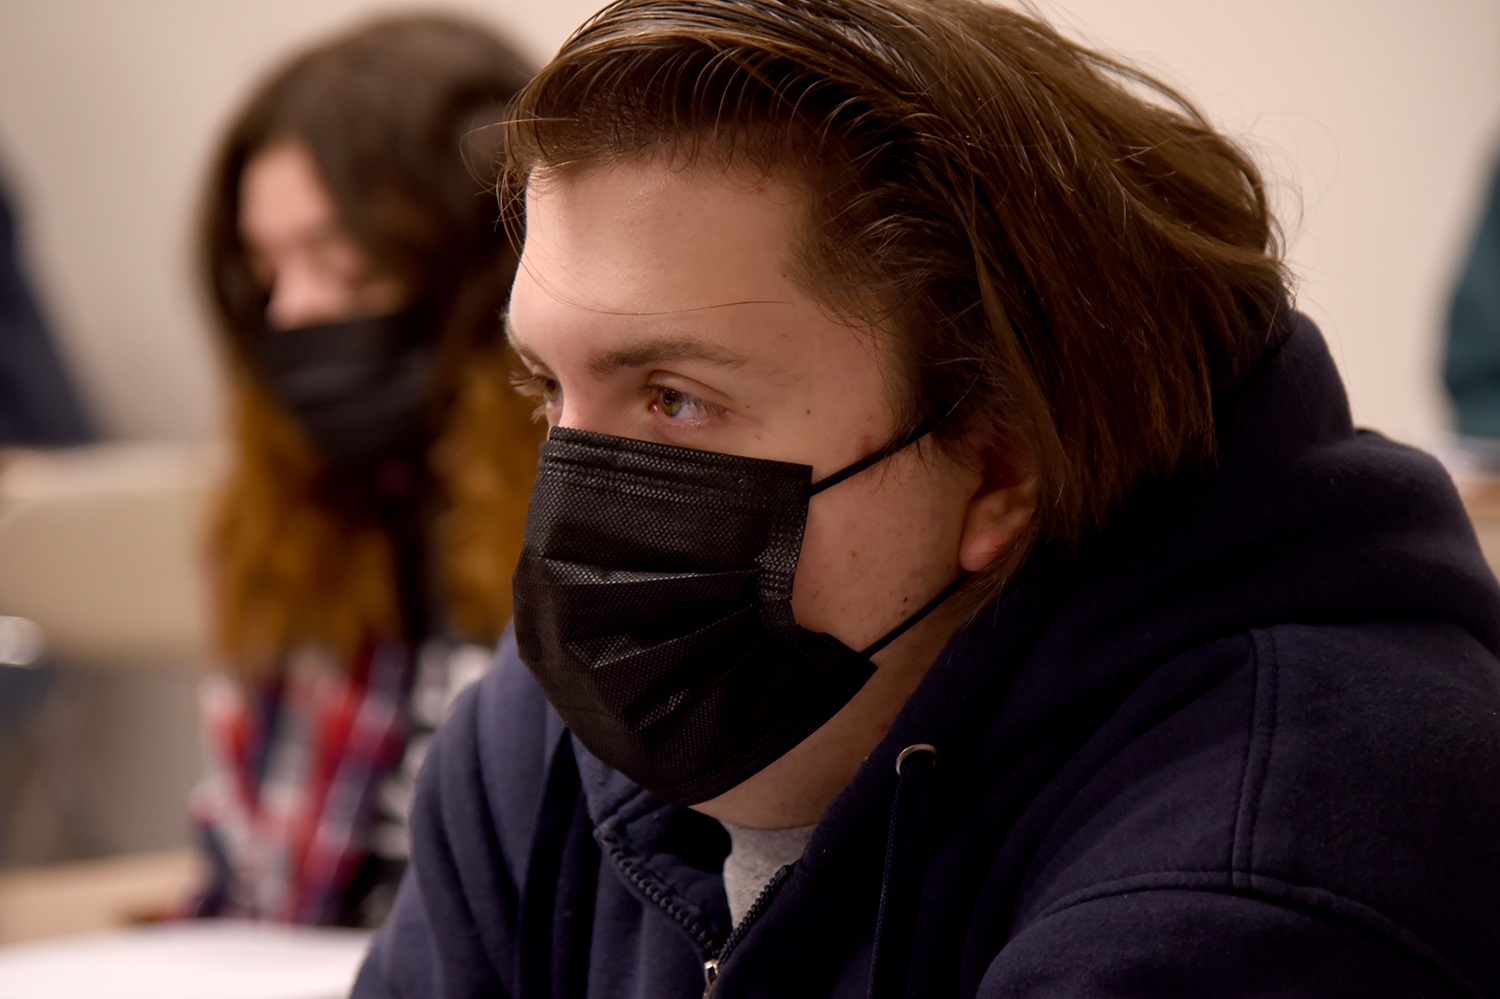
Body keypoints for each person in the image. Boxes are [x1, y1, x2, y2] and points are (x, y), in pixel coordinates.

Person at [357, 0, 1500, 994]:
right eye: (550, 389)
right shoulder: (546, 739)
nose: (578, 516)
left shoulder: (1269, 872)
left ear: (998, 466)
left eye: (674, 400)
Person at [189, 14, 543, 927]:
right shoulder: (298, 520)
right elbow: (249, 869)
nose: (294, 309)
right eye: (266, 268)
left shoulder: (587, 526)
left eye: (341, 261)